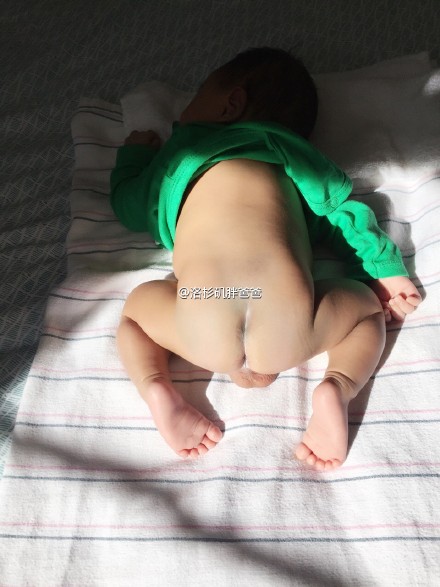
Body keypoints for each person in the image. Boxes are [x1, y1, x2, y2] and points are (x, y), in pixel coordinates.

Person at [110, 48, 421, 471]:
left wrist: (133, 157)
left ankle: (156, 387)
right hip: (286, 319)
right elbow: (340, 214)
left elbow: (127, 205)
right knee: (367, 309)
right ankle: (337, 387)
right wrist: (383, 270)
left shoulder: (181, 154)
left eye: (198, 95)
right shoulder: (289, 152)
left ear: (230, 104)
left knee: (134, 314)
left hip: (204, 306)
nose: (184, 111)